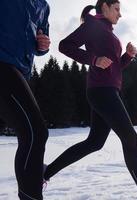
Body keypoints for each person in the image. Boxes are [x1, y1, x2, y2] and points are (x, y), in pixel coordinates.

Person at [43, 0, 137, 199]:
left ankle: (45, 172)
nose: (120, 14)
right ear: (105, 7)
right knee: (130, 137)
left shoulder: (109, 33)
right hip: (102, 92)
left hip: (108, 91)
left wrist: (127, 56)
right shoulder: (92, 26)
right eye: (117, 9)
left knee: (94, 143)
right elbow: (65, 45)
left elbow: (113, 67)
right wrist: (93, 59)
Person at [0, 0, 51, 199]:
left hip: (21, 71)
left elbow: (40, 39)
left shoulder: (44, 6)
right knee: (35, 133)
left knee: (31, 134)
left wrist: (43, 45)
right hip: (2, 64)